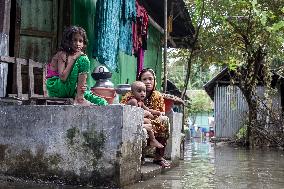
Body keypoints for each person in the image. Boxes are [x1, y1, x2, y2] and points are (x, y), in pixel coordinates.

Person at [45, 26, 107, 106]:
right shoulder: (62, 54)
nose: (78, 44)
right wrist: (74, 58)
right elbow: (63, 78)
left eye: (80, 41)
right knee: (83, 60)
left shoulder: (78, 55)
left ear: (83, 43)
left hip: (68, 87)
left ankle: (80, 96)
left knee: (101, 102)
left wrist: (81, 86)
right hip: (55, 87)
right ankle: (80, 99)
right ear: (68, 41)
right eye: (74, 40)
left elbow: (75, 78)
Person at [121, 68, 170, 168]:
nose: (148, 82)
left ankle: (158, 157)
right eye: (144, 79)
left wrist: (153, 116)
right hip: (135, 122)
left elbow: (160, 113)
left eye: (150, 79)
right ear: (140, 81)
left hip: (152, 123)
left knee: (165, 120)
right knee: (144, 127)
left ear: (154, 81)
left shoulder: (157, 95)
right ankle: (139, 155)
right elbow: (123, 113)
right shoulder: (130, 96)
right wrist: (145, 115)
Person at [122, 81, 164, 148]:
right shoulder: (133, 101)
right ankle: (152, 139)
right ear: (132, 93)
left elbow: (148, 109)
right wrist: (147, 114)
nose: (142, 93)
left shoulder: (140, 102)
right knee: (148, 122)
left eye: (144, 91)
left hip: (135, 120)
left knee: (148, 122)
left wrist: (158, 112)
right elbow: (135, 116)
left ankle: (152, 140)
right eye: (139, 91)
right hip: (128, 121)